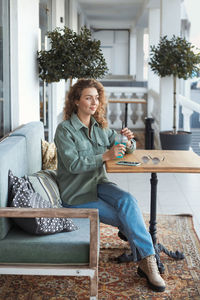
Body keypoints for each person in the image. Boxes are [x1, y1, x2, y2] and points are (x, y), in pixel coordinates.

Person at [54, 78, 166, 292]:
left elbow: (125, 146)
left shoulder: (99, 128)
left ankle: (145, 258)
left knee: (128, 200)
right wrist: (105, 155)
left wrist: (129, 140)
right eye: (88, 98)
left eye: (96, 98)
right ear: (76, 101)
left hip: (98, 183)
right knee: (128, 220)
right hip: (76, 194)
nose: (94, 103)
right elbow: (74, 164)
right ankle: (149, 263)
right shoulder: (64, 130)